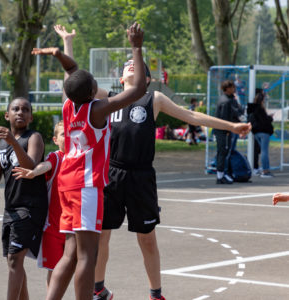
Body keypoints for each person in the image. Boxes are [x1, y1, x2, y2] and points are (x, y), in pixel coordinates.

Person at [53, 25, 251, 300]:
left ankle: (156, 293)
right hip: (111, 174)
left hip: (141, 176)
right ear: (120, 77)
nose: (132, 67)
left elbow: (191, 117)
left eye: (137, 65)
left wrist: (231, 126)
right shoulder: (105, 101)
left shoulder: (152, 99)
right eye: (127, 66)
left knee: (146, 236)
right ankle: (98, 289)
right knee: (102, 236)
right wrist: (68, 42)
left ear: (146, 77)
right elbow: (75, 82)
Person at [32, 22, 147, 300]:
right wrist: (136, 46)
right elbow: (138, 90)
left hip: (66, 184)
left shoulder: (68, 104)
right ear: (91, 91)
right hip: (86, 187)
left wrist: (59, 54)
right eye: (94, 82)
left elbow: (72, 71)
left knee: (70, 254)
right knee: (87, 256)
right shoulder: (97, 110)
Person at [0, 97, 48, 300]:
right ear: (7, 115)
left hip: (30, 207)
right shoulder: (3, 144)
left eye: (25, 109)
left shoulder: (33, 138)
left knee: (14, 260)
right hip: (11, 208)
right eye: (15, 109)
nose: (20, 112)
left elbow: (30, 164)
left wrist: (14, 142)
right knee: (14, 262)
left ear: (30, 116)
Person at [12, 121, 66, 288]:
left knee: (83, 266)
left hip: (77, 226)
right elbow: (46, 165)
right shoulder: (57, 157)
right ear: (55, 140)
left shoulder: (81, 157)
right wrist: (34, 172)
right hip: (54, 228)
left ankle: (98, 292)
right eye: (64, 134)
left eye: (72, 133)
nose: (68, 137)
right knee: (55, 271)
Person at [213, 80, 244, 184]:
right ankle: (221, 176)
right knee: (223, 152)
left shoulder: (228, 99)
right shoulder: (225, 101)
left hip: (223, 130)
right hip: (223, 131)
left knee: (224, 152)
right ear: (227, 88)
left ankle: (223, 174)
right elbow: (224, 118)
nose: (234, 89)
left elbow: (236, 112)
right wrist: (227, 129)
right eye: (232, 87)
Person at [248, 91, 274, 178]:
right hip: (263, 132)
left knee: (261, 151)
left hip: (256, 132)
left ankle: (258, 168)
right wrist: (270, 118)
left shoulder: (252, 108)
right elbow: (264, 121)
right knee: (264, 151)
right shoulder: (260, 109)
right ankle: (265, 171)